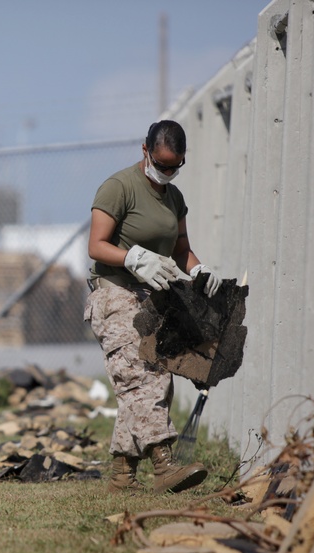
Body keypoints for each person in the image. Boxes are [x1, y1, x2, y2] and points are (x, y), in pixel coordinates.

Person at [84, 120, 222, 494]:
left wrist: (199, 270)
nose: (166, 172)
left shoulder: (174, 199)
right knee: (143, 376)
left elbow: (181, 249)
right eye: (160, 164)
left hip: (152, 297)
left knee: (144, 380)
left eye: (174, 165)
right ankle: (164, 466)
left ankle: (122, 475)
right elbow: (96, 246)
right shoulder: (119, 188)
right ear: (144, 150)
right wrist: (132, 258)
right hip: (114, 292)